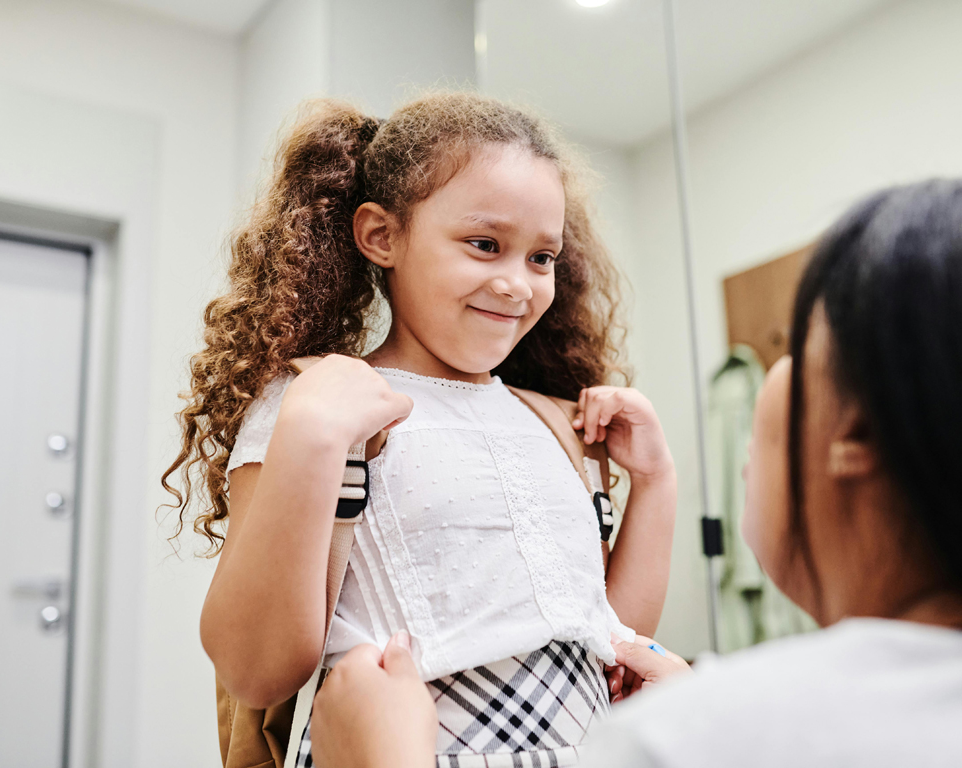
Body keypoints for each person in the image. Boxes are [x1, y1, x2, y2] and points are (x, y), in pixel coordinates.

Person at [309, 178, 962, 767]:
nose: (516, 281)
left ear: (857, 431)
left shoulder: (699, 736)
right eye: (485, 244)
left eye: (801, 345)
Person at [162, 93, 678, 766]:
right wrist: (311, 437)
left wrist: (655, 483)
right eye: (485, 245)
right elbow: (254, 670)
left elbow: (609, 635)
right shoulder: (323, 402)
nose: (518, 285)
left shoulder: (552, 420)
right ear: (382, 236)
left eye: (541, 258)